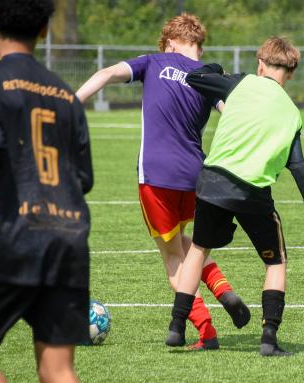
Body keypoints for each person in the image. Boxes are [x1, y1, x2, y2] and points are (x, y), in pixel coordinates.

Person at [76, 14, 250, 350]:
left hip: (156, 174)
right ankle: (223, 290)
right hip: (195, 175)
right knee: (188, 243)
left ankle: (205, 330)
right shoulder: (211, 75)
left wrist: (70, 103)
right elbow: (232, 115)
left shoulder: (153, 61)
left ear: (170, 41)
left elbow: (107, 73)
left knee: (172, 257)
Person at [164, 37, 304, 356]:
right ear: (291, 74)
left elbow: (194, 77)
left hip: (212, 180)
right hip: (252, 191)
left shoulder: (240, 83)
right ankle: (269, 339)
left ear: (260, 65)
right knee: (276, 262)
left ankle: (176, 327)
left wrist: (216, 68)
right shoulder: (293, 114)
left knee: (198, 250)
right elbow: (299, 167)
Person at [0, 0, 92, 383]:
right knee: (57, 371)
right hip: (69, 237)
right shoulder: (65, 95)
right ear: (45, 29)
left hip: (17, 235)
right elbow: (83, 177)